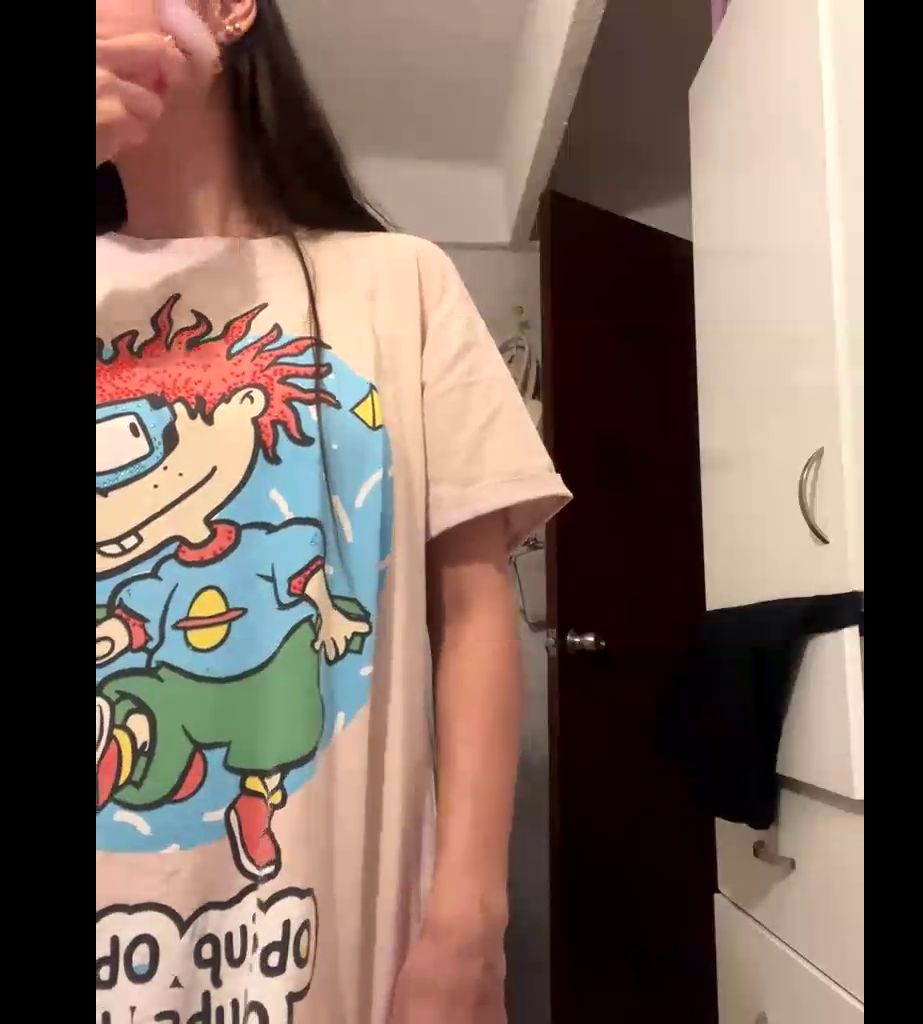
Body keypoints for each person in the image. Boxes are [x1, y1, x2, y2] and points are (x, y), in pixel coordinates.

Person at [95, 3, 570, 1023]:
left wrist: (469, 921)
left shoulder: (400, 282)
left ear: (226, 11)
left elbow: (474, 606)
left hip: (338, 952)